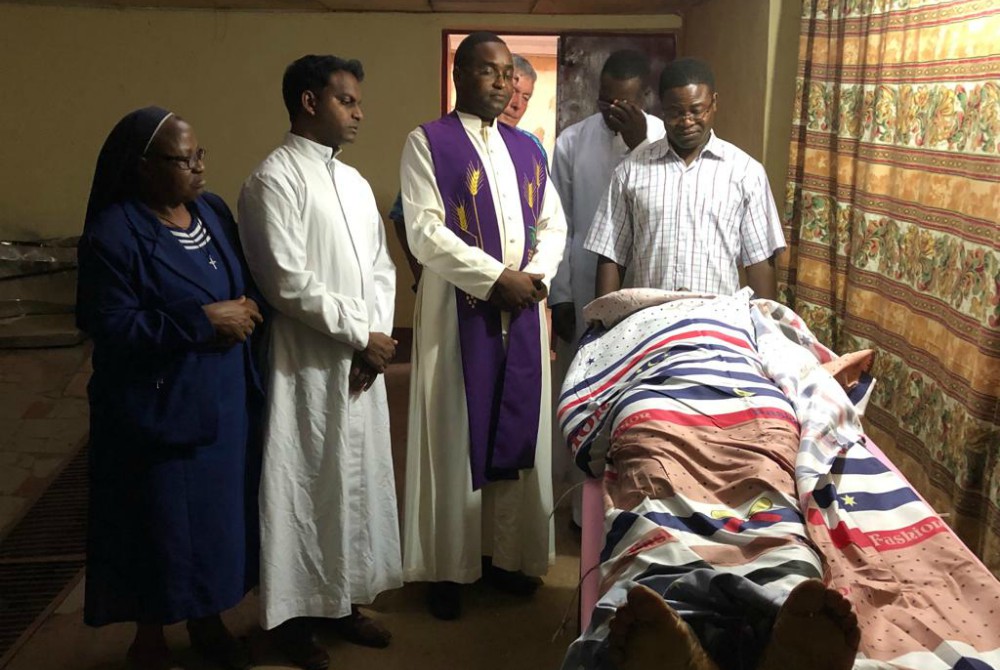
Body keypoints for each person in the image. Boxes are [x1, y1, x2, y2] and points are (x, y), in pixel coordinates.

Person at [77, 106, 263, 670]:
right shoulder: (114, 234)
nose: (200, 168)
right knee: (156, 526)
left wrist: (246, 306)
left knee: (215, 522)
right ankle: (150, 637)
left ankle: (208, 619)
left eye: (200, 155)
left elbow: (237, 280)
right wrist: (203, 321)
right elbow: (107, 323)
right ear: (142, 168)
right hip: (157, 406)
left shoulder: (210, 210)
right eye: (184, 159)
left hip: (222, 399)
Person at [238, 55, 400, 670]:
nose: (359, 113)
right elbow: (284, 281)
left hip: (362, 362)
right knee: (307, 485)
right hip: (306, 364)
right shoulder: (272, 181)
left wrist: (376, 337)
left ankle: (345, 601)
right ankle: (295, 619)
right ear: (309, 103)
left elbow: (381, 269)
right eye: (347, 101)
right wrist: (361, 333)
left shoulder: (355, 183)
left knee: (356, 484)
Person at [399, 31, 568, 621]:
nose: (503, 83)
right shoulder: (429, 142)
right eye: (490, 72)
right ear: (460, 75)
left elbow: (553, 224)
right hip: (461, 313)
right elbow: (424, 230)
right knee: (454, 435)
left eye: (507, 75)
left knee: (515, 429)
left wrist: (536, 278)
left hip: (522, 312)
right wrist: (496, 277)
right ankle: (449, 568)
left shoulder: (528, 148)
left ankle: (504, 557)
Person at [548, 50, 666, 528]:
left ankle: (640, 509)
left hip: (648, 287)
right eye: (604, 100)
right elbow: (557, 224)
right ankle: (583, 511)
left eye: (625, 101)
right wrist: (558, 296)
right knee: (587, 394)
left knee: (641, 396)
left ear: (644, 99)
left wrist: (639, 143)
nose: (613, 110)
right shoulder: (571, 143)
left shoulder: (663, 137)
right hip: (583, 284)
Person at [585, 57, 785, 301]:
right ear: (661, 108)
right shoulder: (630, 172)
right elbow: (610, 256)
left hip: (716, 325)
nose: (687, 121)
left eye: (696, 110)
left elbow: (760, 261)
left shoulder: (745, 173)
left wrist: (764, 330)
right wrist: (604, 325)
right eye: (676, 113)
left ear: (714, 103)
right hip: (648, 325)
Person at [388, 52, 545, 291]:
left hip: (521, 290)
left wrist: (536, 276)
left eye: (526, 97)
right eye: (515, 92)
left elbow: (547, 220)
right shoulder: (440, 143)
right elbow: (407, 219)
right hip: (455, 287)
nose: (517, 104)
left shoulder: (532, 148)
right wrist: (421, 277)